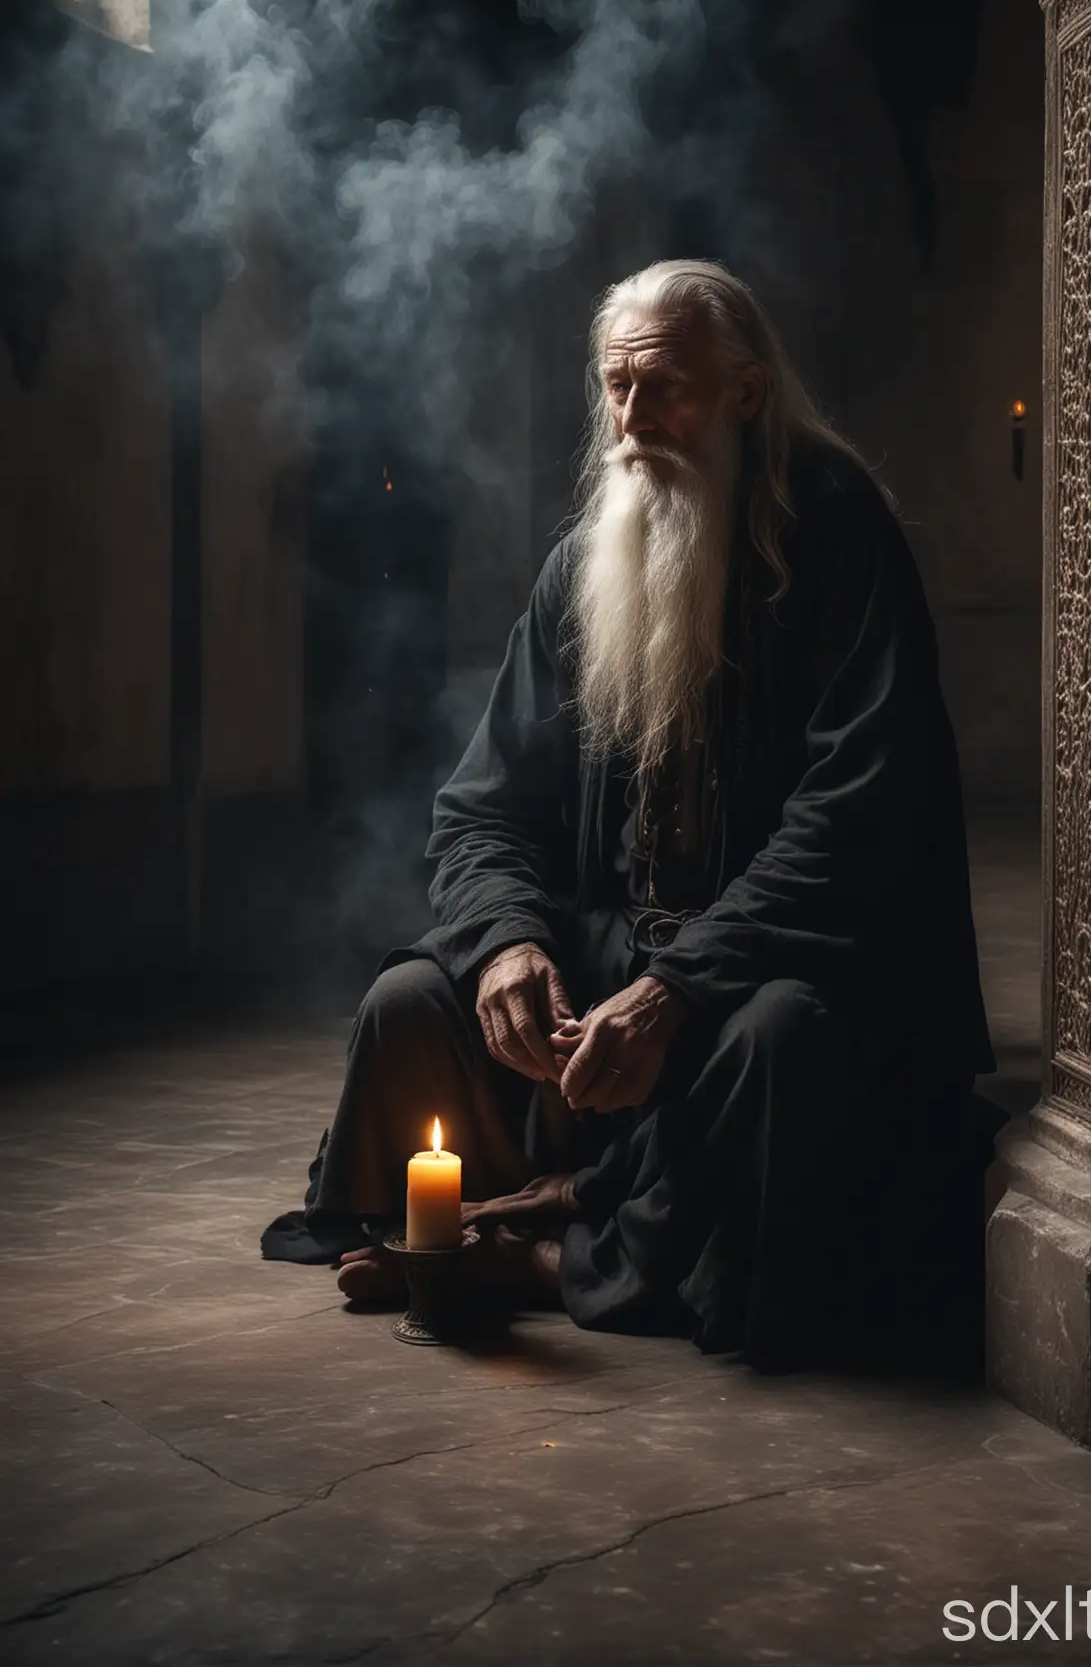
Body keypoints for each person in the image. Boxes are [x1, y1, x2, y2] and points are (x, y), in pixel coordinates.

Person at [262, 258, 1001, 1367]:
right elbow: (480, 807)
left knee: (779, 1048)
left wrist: (678, 987)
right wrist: (510, 940)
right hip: (613, 963)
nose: (632, 415)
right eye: (616, 388)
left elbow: (860, 817)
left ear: (748, 393)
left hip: (769, 963)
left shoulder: (839, 533)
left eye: (665, 387)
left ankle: (545, 1257)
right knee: (417, 999)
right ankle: (556, 1207)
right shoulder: (584, 562)